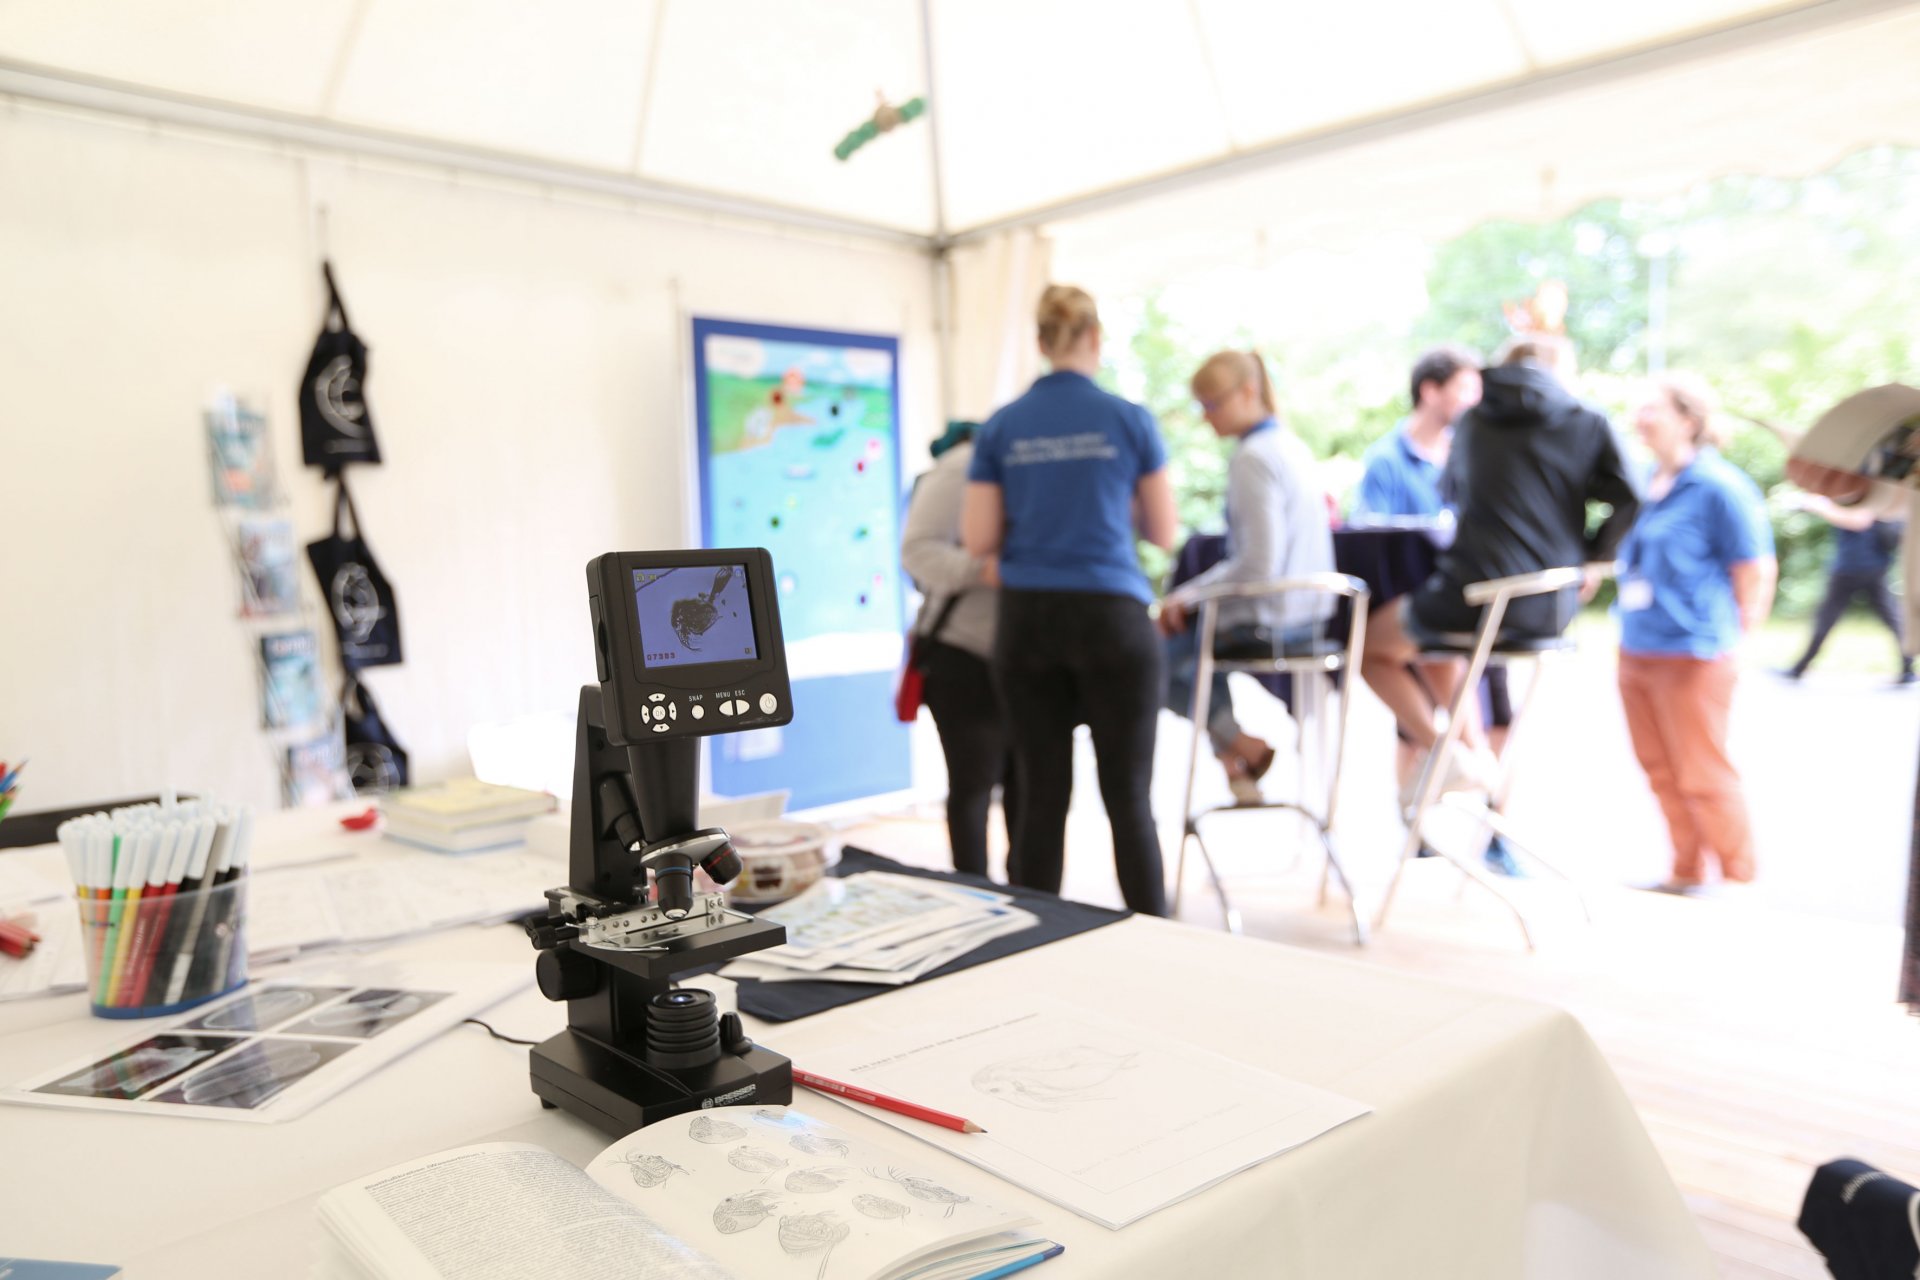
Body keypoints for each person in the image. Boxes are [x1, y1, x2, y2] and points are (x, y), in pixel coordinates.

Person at [962, 285, 1178, 916]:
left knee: (1040, 794)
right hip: (1112, 617)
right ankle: (1157, 937)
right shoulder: (1130, 419)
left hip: (1029, 622)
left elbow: (979, 540)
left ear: (1040, 342)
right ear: (1095, 339)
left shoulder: (1002, 425)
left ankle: (1037, 937)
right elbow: (1163, 533)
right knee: (1129, 799)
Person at [1359, 336, 1642, 792]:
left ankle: (1445, 751)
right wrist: (1592, 557)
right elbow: (1631, 497)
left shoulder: (1470, 423)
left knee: (1372, 643)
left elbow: (1450, 495)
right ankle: (1471, 762)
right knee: (1438, 651)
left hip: (1469, 598)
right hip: (1548, 603)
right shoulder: (1585, 421)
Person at [1614, 374, 1776, 895]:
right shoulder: (1642, 482)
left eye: (1653, 408)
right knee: (1660, 769)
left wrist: (1741, 639)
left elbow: (1755, 569)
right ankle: (1685, 871)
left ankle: (1738, 879)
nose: (1641, 418)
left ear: (1689, 419)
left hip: (1695, 652)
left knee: (1703, 773)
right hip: (1637, 646)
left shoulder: (1719, 488)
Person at [1159, 351, 1334, 803]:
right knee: (1188, 647)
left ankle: (1237, 748)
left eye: (1212, 404)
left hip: (1273, 616)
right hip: (1311, 612)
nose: (1206, 417)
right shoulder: (1289, 445)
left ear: (1248, 393)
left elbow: (1258, 563)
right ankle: (1238, 756)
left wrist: (1188, 595)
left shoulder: (1253, 457)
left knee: (1148, 659)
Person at [900, 421, 1017, 877]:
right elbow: (916, 554)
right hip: (961, 654)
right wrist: (985, 570)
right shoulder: (959, 469)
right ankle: (975, 892)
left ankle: (1026, 898)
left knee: (1023, 785)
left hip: (1019, 654)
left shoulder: (1016, 463)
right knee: (973, 785)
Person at [1780, 496, 1911, 683]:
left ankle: (1799, 668)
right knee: (1888, 617)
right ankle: (1799, 668)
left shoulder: (1870, 491)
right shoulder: (1857, 494)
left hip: (1860, 566)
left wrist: (1823, 508)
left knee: (1829, 618)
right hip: (1860, 566)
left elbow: (1859, 521)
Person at [1352, 344, 1480, 521]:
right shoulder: (1384, 461)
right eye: (1465, 389)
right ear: (1430, 391)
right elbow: (1370, 540)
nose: (1473, 402)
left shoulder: (1467, 457)